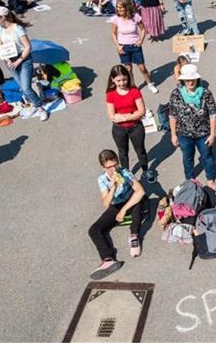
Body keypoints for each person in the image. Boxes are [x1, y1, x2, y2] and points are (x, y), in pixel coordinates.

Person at [88, 149, 146, 279]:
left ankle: (134, 236)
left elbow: (140, 192)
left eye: (115, 165)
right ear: (103, 167)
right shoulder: (102, 179)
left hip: (131, 200)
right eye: (109, 167)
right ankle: (108, 259)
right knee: (94, 230)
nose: (114, 169)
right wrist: (113, 187)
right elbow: (106, 203)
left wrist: (124, 210)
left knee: (137, 208)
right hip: (115, 204)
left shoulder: (125, 173)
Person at [0, 6, 48, 121]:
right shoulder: (0, 30)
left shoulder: (18, 28)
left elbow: (27, 47)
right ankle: (33, 104)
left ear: (2, 17)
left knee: (26, 88)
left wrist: (19, 61)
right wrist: (7, 60)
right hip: (9, 60)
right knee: (22, 87)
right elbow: (0, 46)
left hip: (23, 59)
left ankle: (40, 107)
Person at [168, 64, 216, 188]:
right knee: (187, 158)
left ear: (197, 79)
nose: (190, 82)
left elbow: (212, 115)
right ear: (183, 80)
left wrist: (212, 134)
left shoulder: (206, 94)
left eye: (192, 79)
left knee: (207, 157)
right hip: (184, 134)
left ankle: (210, 178)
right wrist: (173, 135)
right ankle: (189, 179)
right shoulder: (176, 94)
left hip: (203, 133)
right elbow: (172, 116)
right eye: (187, 79)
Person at [105, 65, 151, 177]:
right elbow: (111, 116)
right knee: (123, 153)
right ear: (112, 80)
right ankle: (126, 173)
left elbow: (142, 111)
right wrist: (132, 115)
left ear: (128, 77)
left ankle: (146, 170)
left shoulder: (134, 91)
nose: (122, 83)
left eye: (124, 79)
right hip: (119, 130)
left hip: (136, 127)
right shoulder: (110, 94)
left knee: (140, 151)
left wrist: (124, 117)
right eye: (118, 80)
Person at [109, 0, 159, 94]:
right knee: (128, 69)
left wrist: (141, 40)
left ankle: (149, 84)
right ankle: (133, 86)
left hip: (135, 45)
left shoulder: (135, 16)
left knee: (142, 68)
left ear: (126, 7)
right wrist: (117, 46)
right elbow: (113, 33)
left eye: (121, 7)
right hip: (123, 46)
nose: (118, 9)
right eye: (117, 7)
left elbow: (143, 29)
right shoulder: (116, 18)